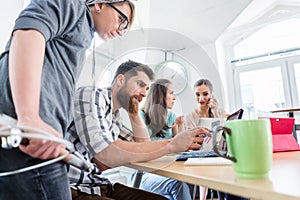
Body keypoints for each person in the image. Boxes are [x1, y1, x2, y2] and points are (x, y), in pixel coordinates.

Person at [0, 0, 135, 199]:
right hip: (32, 137)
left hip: (33, 135)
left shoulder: (81, 35)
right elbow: (28, 34)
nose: (121, 30)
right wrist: (28, 118)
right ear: (99, 4)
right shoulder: (73, 5)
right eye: (121, 20)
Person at [66, 60, 208, 200]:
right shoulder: (91, 95)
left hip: (97, 186)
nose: (144, 94)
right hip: (72, 188)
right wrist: (171, 144)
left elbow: (144, 146)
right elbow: (105, 153)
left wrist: (133, 114)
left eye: (147, 89)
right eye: (140, 85)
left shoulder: (114, 119)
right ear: (121, 80)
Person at [184, 79, 246, 200]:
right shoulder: (190, 117)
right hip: (200, 154)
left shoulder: (220, 112)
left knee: (236, 170)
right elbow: (192, 142)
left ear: (212, 95)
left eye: (205, 94)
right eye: (197, 94)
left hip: (219, 152)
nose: (201, 98)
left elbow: (224, 136)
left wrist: (215, 113)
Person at [135, 78, 191, 200]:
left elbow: (178, 149)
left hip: (166, 171)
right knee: (178, 184)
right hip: (145, 174)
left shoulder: (171, 116)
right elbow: (145, 149)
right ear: (160, 95)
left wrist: (179, 128)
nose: (174, 97)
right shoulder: (141, 116)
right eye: (171, 93)